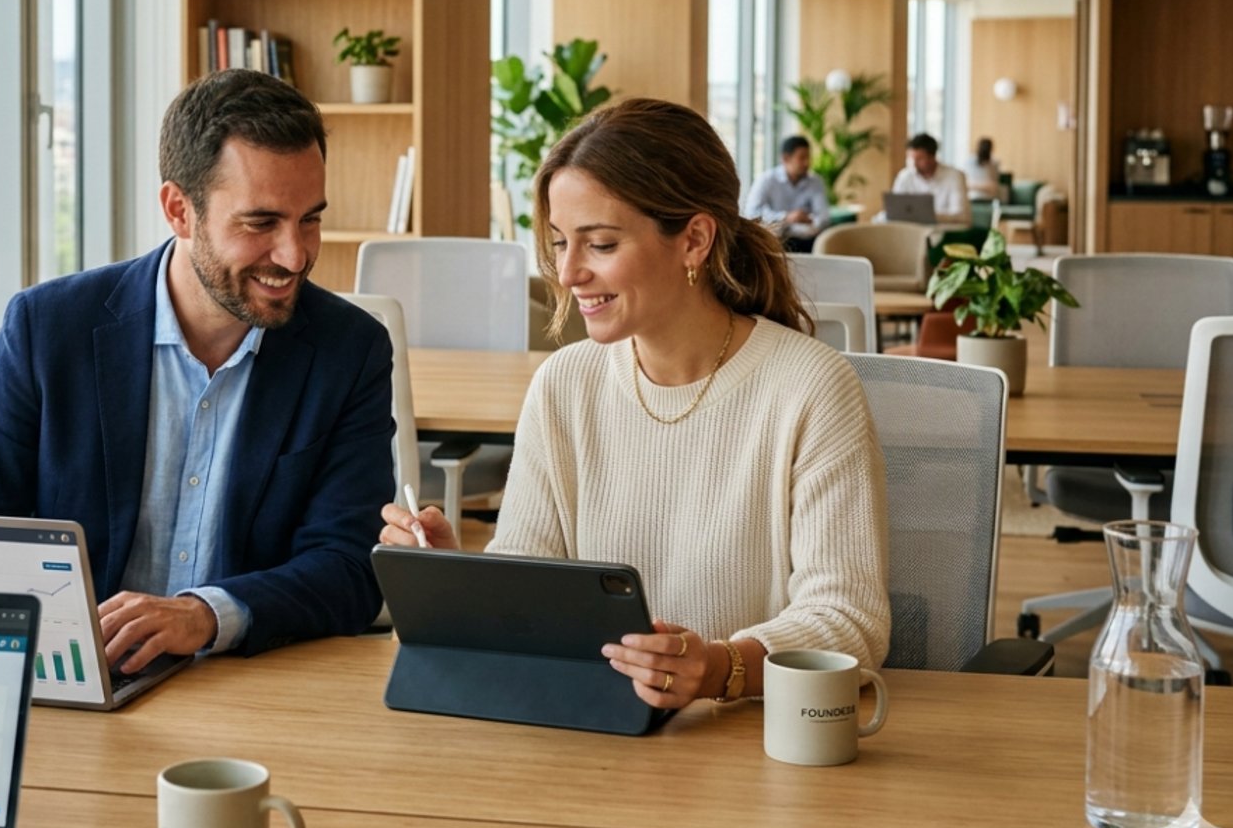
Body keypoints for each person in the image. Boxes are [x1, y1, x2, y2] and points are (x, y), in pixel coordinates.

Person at [380, 98, 891, 710]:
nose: (567, 273)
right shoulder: (564, 384)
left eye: (598, 244)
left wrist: (718, 668)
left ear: (694, 240)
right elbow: (532, 582)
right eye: (560, 242)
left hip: (752, 746)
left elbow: (851, 621)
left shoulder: (810, 387)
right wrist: (459, 584)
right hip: (596, 734)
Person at [0, 69, 396, 671]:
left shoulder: (349, 349)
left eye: (309, 218)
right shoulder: (49, 328)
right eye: (261, 223)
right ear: (180, 209)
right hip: (76, 678)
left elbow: (349, 567)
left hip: (246, 684)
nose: (296, 254)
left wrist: (206, 614)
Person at [743, 134, 831, 253]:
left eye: (808, 157)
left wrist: (805, 221)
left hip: (808, 241)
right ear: (786, 159)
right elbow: (751, 214)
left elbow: (823, 217)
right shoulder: (767, 180)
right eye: (802, 158)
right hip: (775, 240)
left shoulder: (815, 182)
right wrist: (786, 217)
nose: (807, 163)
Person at [892, 133, 970, 222]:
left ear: (932, 157)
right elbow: (896, 210)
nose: (914, 164)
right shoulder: (905, 176)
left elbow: (962, 216)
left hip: (944, 230)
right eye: (911, 159)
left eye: (919, 159)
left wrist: (928, 216)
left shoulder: (955, 177)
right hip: (910, 230)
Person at [963, 136, 1002, 201]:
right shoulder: (995, 163)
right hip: (989, 198)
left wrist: (975, 187)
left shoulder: (968, 161)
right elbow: (993, 186)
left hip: (973, 197)